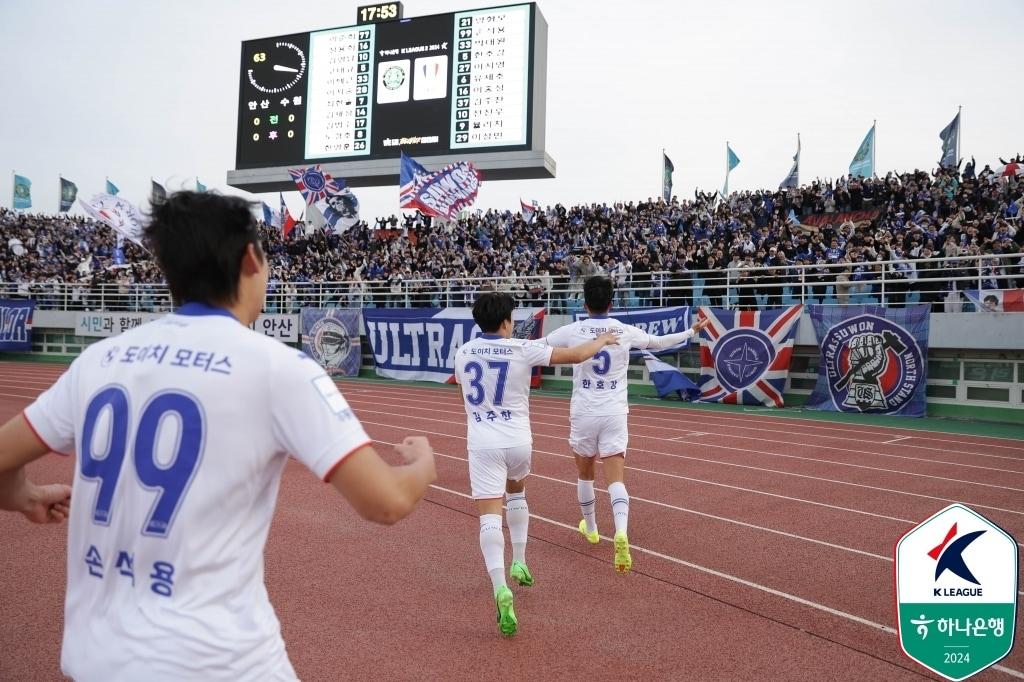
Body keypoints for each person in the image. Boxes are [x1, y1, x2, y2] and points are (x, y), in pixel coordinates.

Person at [0, 191, 437, 681]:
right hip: (217, 661)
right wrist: (423, 463)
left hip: (96, 660)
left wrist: (24, 495)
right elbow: (386, 502)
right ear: (251, 258)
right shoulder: (277, 367)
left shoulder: (98, 360)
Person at [454, 292, 618, 637]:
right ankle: (522, 560)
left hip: (483, 440)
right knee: (517, 493)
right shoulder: (521, 349)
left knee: (488, 516)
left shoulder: (464, 351)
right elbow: (576, 355)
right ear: (504, 322)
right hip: (518, 441)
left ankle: (500, 586)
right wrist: (602, 339)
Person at [543, 276, 710, 574]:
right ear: (611, 303)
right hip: (614, 411)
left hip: (583, 411)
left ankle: (592, 529)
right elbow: (659, 343)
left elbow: (538, 348)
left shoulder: (572, 330)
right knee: (615, 477)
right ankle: (620, 531)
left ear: (584, 303)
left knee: (585, 474)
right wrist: (691, 330)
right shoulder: (624, 330)